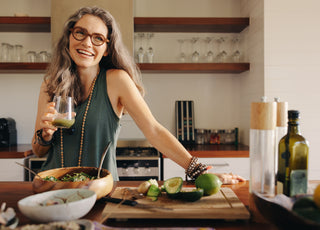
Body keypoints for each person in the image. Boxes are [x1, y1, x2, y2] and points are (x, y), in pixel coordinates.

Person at [32, 6, 245, 184]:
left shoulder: (116, 80)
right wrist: (45, 135)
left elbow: (154, 130)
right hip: (51, 189)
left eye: (98, 38)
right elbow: (38, 150)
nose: (87, 43)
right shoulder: (50, 84)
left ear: (106, 49)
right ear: (70, 36)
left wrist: (199, 171)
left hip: (99, 190)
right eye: (80, 32)